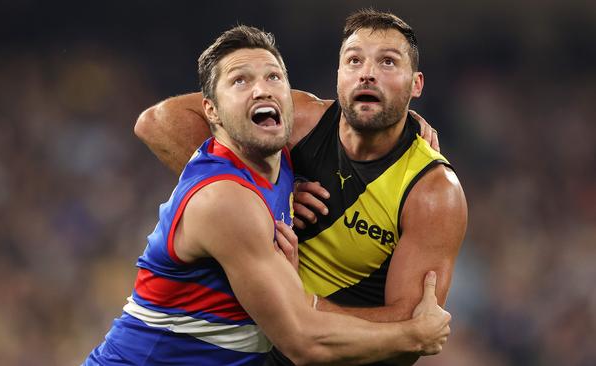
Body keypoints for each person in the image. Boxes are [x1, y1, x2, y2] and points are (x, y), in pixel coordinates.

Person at [84, 25, 451, 366]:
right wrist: (412, 334)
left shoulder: (278, 159)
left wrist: (402, 122)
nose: (262, 89)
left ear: (291, 98)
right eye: (240, 81)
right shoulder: (226, 199)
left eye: (274, 77)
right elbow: (303, 342)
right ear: (211, 110)